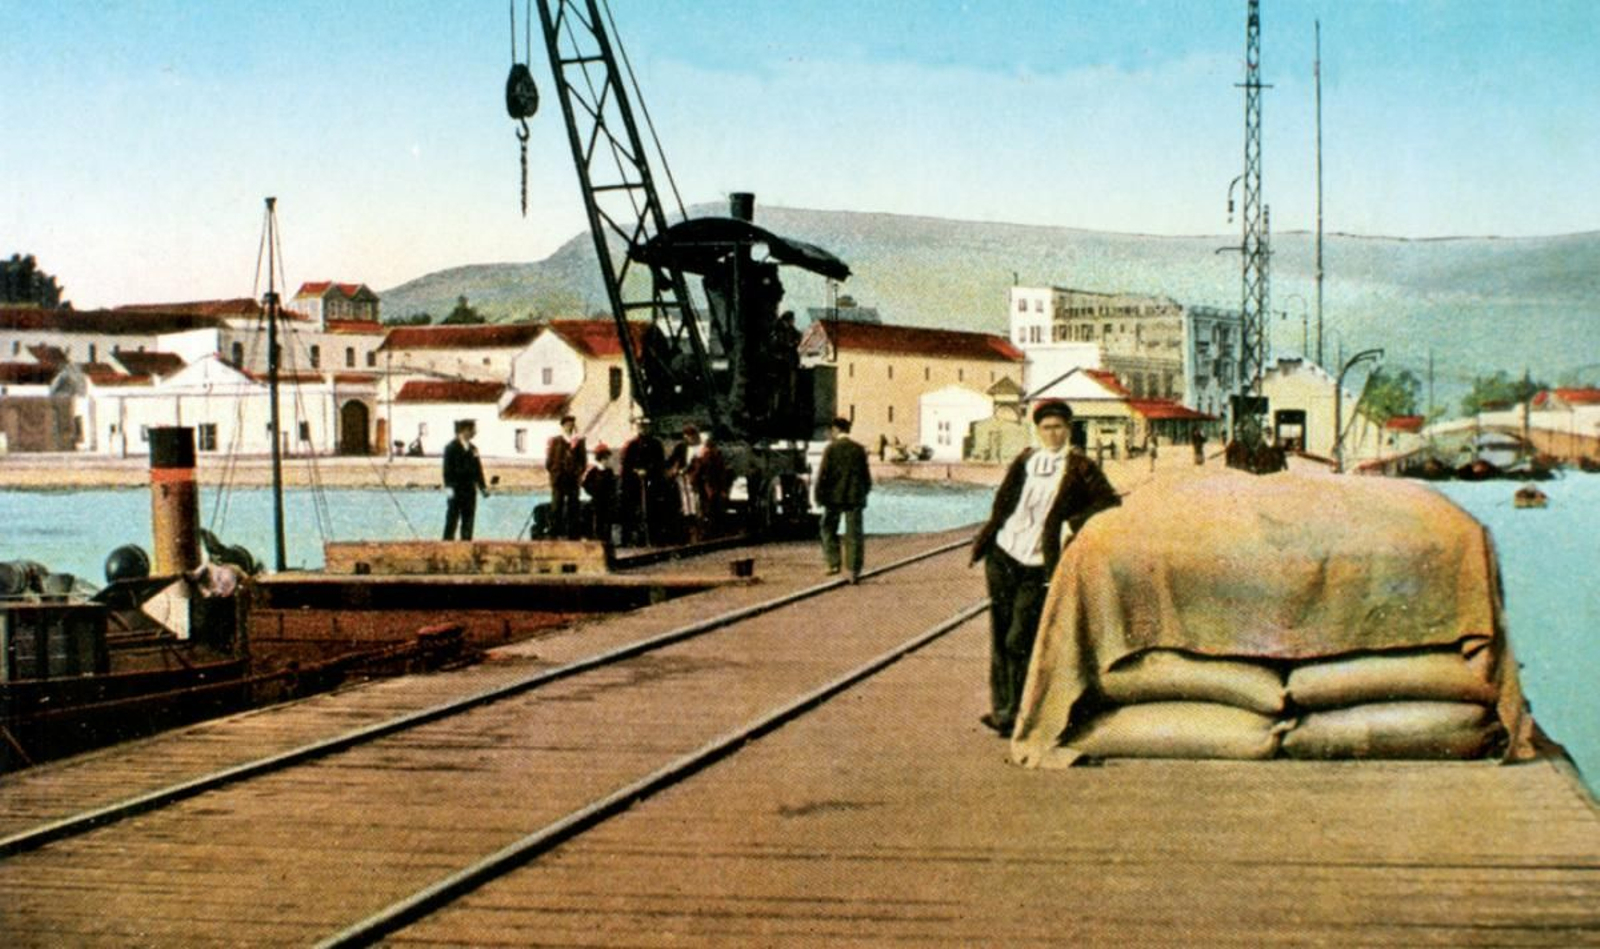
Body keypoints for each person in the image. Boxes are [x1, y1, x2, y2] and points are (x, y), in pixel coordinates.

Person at [970, 400, 1121, 738]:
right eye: (1046, 428)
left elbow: (1110, 501)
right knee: (1001, 632)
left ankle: (1027, 709)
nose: (1052, 434)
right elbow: (1005, 502)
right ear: (1037, 430)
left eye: (1058, 427)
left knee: (1020, 636)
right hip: (1004, 553)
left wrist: (1072, 523)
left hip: (1039, 561)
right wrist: (992, 538)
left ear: (1068, 429)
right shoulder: (1026, 460)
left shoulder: (1079, 465)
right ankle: (1004, 711)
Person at [814, 416, 872, 583]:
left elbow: (823, 475)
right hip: (855, 497)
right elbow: (866, 477)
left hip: (834, 498)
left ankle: (833, 564)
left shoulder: (831, 449)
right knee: (854, 534)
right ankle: (854, 571)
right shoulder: (859, 449)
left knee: (827, 528)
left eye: (830, 431)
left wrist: (818, 496)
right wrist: (863, 493)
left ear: (835, 430)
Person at [619, 417, 664, 546]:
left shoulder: (656, 444)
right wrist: (636, 471)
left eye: (646, 426)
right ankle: (635, 539)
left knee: (652, 509)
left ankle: (653, 537)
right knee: (634, 511)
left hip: (651, 481)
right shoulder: (631, 445)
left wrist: (648, 471)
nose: (643, 429)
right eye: (641, 427)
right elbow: (626, 463)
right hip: (634, 482)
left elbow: (659, 462)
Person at [442, 419, 489, 540]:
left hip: (469, 490)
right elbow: (447, 471)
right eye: (472, 430)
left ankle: (466, 544)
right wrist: (448, 489)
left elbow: (478, 469)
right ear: (464, 430)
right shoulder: (451, 448)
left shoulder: (473, 449)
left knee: (468, 519)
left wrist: (482, 487)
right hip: (456, 489)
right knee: (452, 518)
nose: (474, 432)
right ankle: (446, 544)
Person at [545, 414, 587, 539]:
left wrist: (577, 472)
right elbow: (549, 462)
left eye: (571, 425)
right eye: (567, 424)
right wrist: (555, 472)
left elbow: (583, 461)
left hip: (572, 480)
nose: (569, 427)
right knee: (556, 506)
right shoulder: (556, 441)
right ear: (563, 426)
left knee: (573, 507)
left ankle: (573, 536)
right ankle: (554, 534)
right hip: (559, 479)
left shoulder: (578, 442)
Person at [687, 429, 730, 538]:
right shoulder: (702, 456)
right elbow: (696, 471)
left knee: (710, 509)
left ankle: (710, 531)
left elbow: (721, 473)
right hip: (706, 486)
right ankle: (707, 531)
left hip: (712, 486)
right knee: (706, 509)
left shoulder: (713, 456)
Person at [582, 443, 618, 545]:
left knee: (607, 521)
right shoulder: (593, 471)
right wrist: (593, 492)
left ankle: (607, 541)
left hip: (608, 500)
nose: (607, 461)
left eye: (607, 458)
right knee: (598, 520)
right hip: (597, 500)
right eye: (605, 458)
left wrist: (612, 496)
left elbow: (612, 485)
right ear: (600, 459)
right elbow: (585, 484)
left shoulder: (609, 471)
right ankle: (598, 540)